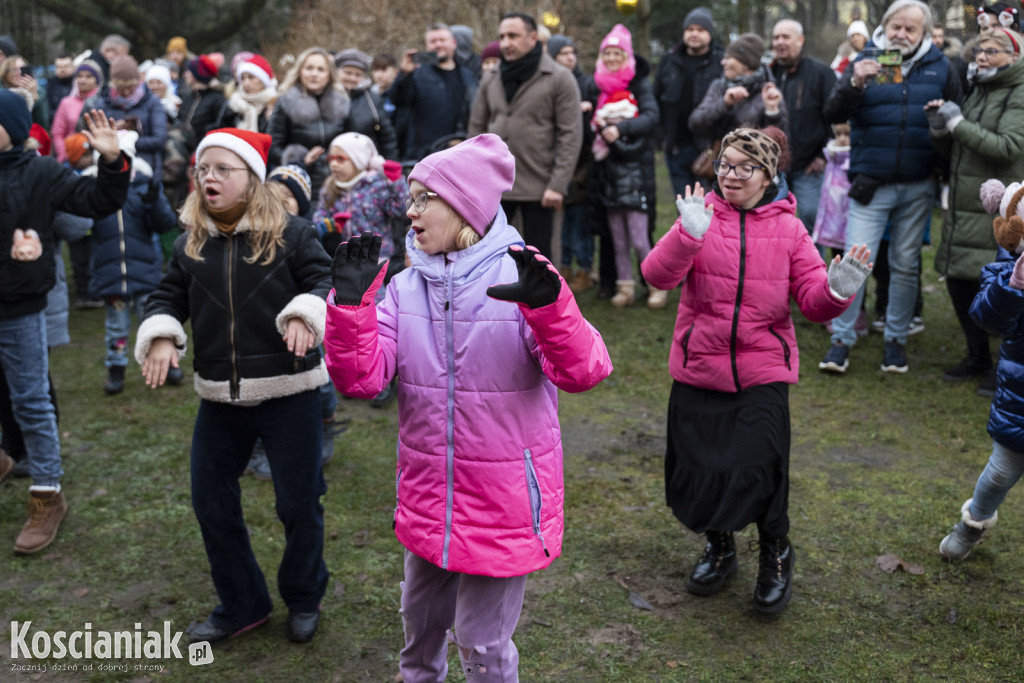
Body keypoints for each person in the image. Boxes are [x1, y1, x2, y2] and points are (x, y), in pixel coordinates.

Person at [322, 133, 612, 681]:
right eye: (410, 199)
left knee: (482, 646)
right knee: (420, 632)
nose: (409, 212)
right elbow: (362, 381)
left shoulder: (521, 280)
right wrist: (353, 311)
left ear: (465, 208)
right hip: (430, 498)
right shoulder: (406, 289)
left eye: (423, 199)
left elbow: (585, 371)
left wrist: (551, 310)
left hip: (502, 505)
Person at [641, 127, 872, 614]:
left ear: (768, 175)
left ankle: (775, 554)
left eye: (745, 167)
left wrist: (838, 287)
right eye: (725, 164)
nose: (731, 176)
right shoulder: (700, 215)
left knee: (763, 471)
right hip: (699, 364)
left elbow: (812, 303)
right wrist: (687, 235)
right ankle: (721, 547)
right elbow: (656, 276)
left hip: (763, 368)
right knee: (702, 468)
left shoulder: (790, 229)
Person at [134, 128, 331, 645]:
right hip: (220, 397)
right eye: (203, 170)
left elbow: (324, 283)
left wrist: (306, 314)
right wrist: (160, 334)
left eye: (224, 169)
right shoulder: (188, 244)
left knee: (298, 503)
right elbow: (164, 298)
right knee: (211, 502)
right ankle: (243, 603)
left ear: (252, 178)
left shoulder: (294, 234)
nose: (209, 178)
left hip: (291, 392)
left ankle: (304, 595)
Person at [0, 94, 131, 554]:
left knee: (31, 401)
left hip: (19, 308)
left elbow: (98, 200)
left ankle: (47, 494)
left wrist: (112, 161)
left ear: (12, 129)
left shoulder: (40, 172)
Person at [820, 0, 963, 375]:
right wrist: (854, 83)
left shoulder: (940, 66)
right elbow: (832, 113)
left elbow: (957, 119)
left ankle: (895, 340)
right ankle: (841, 338)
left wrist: (943, 164)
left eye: (910, 29)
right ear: (884, 25)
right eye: (895, 26)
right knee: (853, 260)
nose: (901, 34)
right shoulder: (868, 59)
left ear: (924, 33)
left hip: (917, 184)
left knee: (905, 264)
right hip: (871, 183)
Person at [928, 27, 1024, 393]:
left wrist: (958, 124)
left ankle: (1002, 365)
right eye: (979, 50)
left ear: (1014, 57)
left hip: (1000, 208)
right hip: (968, 205)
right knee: (959, 281)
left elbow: (1008, 148)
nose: (982, 57)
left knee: (1000, 285)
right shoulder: (981, 89)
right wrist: (941, 131)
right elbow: (964, 152)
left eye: (993, 51)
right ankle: (977, 355)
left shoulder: (1019, 91)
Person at [939, 180, 1024, 561]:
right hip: (1020, 402)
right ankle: (973, 521)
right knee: (999, 474)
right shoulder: (1006, 267)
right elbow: (986, 318)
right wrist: (1013, 286)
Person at [469, 12, 584, 260]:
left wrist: (557, 185)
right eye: (502, 37)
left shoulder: (560, 78)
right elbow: (476, 129)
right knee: (492, 258)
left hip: (540, 186)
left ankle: (544, 301)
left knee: (538, 261)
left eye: (513, 36)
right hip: (494, 186)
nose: (506, 43)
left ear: (533, 37)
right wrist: (476, 178)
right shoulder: (491, 76)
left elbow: (570, 135)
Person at [85, 131, 178, 395]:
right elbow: (83, 230)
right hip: (112, 273)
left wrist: (152, 197)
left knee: (154, 320)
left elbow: (164, 223)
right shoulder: (95, 193)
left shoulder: (143, 188)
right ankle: (117, 368)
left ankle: (167, 361)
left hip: (145, 271)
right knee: (117, 327)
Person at [589, 24, 661, 309]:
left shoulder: (638, 82)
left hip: (633, 169)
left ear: (627, 55)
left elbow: (652, 117)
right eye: (607, 53)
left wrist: (621, 129)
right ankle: (625, 286)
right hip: (606, 171)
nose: (612, 58)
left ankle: (655, 284)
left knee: (640, 237)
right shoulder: (595, 83)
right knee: (617, 238)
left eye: (618, 53)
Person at [770, 19, 837, 236]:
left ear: (800, 40)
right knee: (773, 223)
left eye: (785, 37)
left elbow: (835, 116)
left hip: (809, 165)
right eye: (776, 37)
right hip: (771, 167)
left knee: (810, 218)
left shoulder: (821, 73)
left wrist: (822, 156)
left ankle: (812, 268)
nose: (780, 42)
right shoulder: (766, 74)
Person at [653, 7, 725, 197]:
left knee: (708, 204)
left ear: (709, 33)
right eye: (690, 29)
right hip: (675, 146)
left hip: (708, 148)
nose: (694, 34)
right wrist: (661, 137)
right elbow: (656, 98)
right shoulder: (670, 60)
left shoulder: (721, 62)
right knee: (683, 206)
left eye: (700, 30)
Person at [548, 34, 598, 294]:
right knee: (563, 222)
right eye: (563, 54)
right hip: (555, 165)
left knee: (580, 220)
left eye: (572, 52)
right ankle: (564, 266)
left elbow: (592, 135)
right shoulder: (549, 85)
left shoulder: (587, 84)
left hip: (582, 166)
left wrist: (583, 116)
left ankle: (585, 268)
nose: (570, 58)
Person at [268, 47, 350, 200]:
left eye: (320, 69)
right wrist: (299, 160)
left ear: (329, 74)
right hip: (299, 184)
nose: (314, 74)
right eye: (309, 68)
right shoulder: (286, 101)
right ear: (300, 71)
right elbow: (272, 147)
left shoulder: (342, 102)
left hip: (338, 184)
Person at [311, 132, 407, 260]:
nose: (333, 164)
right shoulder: (329, 187)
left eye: (340, 159)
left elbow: (402, 212)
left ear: (359, 161)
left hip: (378, 258)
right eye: (331, 159)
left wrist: (396, 183)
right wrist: (331, 225)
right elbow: (319, 217)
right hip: (344, 259)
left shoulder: (377, 185)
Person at [391, 23, 478, 161]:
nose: (438, 45)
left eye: (442, 40)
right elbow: (399, 100)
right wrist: (404, 75)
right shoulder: (417, 74)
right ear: (427, 46)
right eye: (433, 41)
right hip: (426, 156)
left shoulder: (468, 76)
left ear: (453, 43)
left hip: (462, 154)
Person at [689, 33, 788, 152]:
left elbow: (780, 143)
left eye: (729, 58)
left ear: (747, 64)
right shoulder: (718, 86)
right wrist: (724, 103)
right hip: (720, 164)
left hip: (751, 167)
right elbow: (694, 124)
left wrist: (772, 111)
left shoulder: (769, 92)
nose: (723, 62)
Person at [81, 55, 168, 181]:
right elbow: (94, 137)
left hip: (146, 170)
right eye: (121, 87)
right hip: (112, 170)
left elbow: (160, 139)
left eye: (130, 86)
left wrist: (127, 140)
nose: (126, 92)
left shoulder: (152, 102)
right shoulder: (103, 104)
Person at [334, 49, 399, 160]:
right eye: (348, 73)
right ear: (337, 72)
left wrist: (391, 166)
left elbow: (387, 138)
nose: (352, 78)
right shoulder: (327, 96)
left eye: (358, 75)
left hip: (366, 163)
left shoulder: (373, 99)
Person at [178, 54, 234, 153]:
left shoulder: (217, 99)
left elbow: (219, 129)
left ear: (197, 74)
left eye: (188, 71)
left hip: (205, 151)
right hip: (183, 149)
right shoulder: (187, 98)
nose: (185, 74)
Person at [51, 60, 104, 162]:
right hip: (71, 157)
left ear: (97, 80)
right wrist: (64, 156)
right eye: (79, 76)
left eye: (88, 77)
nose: (83, 80)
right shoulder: (66, 103)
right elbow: (57, 133)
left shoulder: (103, 102)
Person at [227, 54, 277, 134]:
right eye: (243, 78)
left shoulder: (275, 105)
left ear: (263, 81)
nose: (246, 83)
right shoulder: (233, 104)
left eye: (251, 77)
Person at [46, 54, 75, 123]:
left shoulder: (78, 84)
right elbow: (47, 110)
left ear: (73, 67)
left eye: (66, 66)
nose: (62, 70)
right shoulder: (50, 85)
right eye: (59, 67)